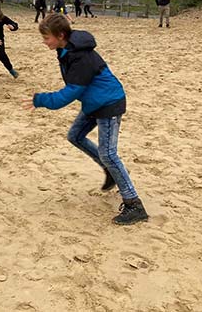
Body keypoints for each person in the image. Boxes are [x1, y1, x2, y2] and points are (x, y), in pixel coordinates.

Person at [23, 13, 148, 225]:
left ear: (61, 35)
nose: (44, 42)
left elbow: (69, 94)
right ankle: (111, 170)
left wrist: (40, 100)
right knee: (75, 136)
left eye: (47, 38)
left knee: (108, 153)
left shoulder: (79, 57)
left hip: (108, 103)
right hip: (93, 102)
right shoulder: (66, 49)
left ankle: (134, 204)